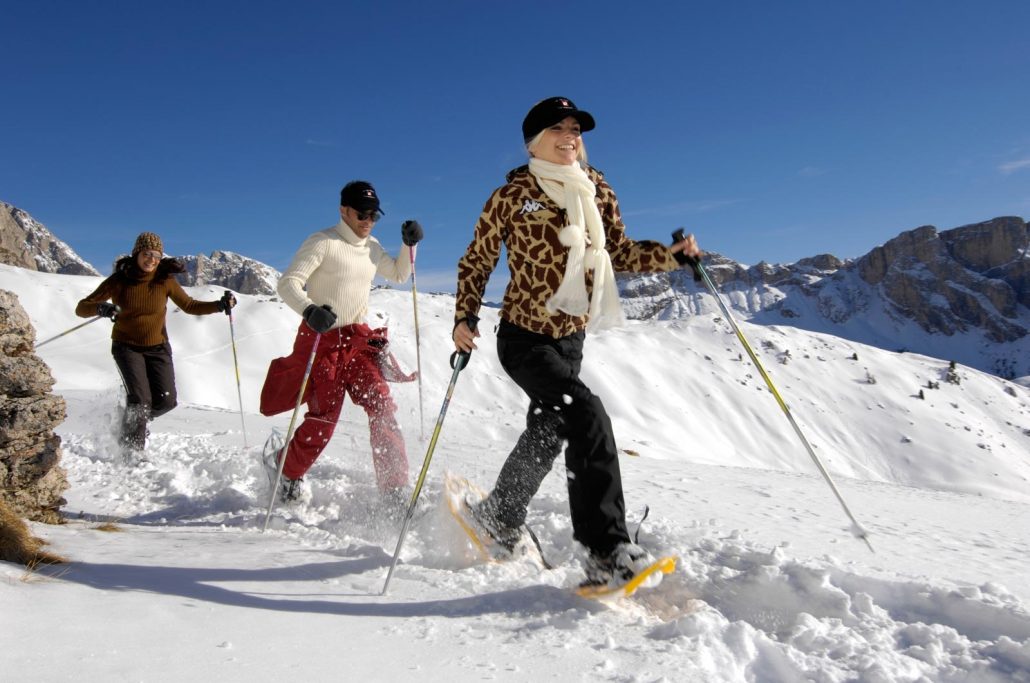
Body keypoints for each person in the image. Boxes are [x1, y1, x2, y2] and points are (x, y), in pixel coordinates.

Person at [452, 97, 702, 587]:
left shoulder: (596, 188)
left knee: (548, 433)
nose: (571, 136)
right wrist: (464, 316)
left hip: (570, 339)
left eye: (577, 129)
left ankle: (499, 515)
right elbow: (476, 260)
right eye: (559, 128)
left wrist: (672, 257)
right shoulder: (511, 194)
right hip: (523, 339)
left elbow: (621, 252)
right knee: (586, 414)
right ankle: (606, 551)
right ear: (534, 140)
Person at [261, 180, 423, 505]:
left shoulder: (372, 247)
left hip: (357, 341)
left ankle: (394, 493)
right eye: (362, 214)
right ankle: (285, 469)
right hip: (321, 340)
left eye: (374, 215)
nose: (368, 221)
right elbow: (288, 283)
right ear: (343, 210)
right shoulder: (322, 242)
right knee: (324, 420)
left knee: (382, 407)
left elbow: (400, 274)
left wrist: (408, 245)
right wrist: (309, 309)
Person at [76, 231, 236, 457]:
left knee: (166, 401)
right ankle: (131, 454)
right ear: (137, 254)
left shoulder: (164, 280)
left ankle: (134, 421)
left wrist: (219, 305)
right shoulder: (119, 280)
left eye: (157, 256)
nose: (152, 259)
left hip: (158, 347)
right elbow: (81, 308)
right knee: (140, 401)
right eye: (147, 254)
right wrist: (100, 307)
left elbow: (189, 305)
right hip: (126, 346)